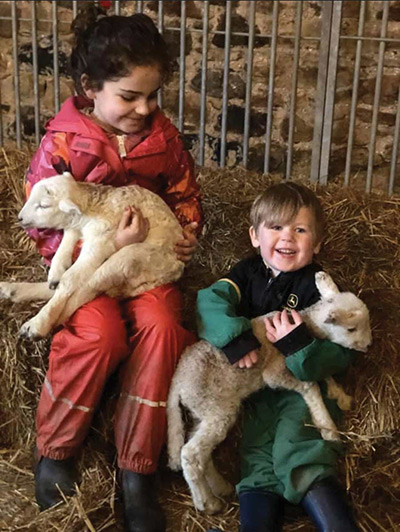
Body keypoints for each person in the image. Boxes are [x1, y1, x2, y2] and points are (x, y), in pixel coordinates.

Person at [25, 7, 203, 532]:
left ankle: (137, 470)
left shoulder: (164, 140)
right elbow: (43, 218)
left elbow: (184, 195)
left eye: (152, 96)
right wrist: (88, 250)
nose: (144, 108)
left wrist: (187, 231)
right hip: (88, 270)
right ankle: (57, 450)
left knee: (166, 329)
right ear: (90, 86)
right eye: (130, 96)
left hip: (148, 267)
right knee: (96, 335)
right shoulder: (61, 143)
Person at [199, 182, 359, 532]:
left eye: (300, 230)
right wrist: (235, 340)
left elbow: (341, 353)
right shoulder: (245, 275)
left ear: (315, 244)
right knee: (256, 462)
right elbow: (209, 302)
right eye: (276, 227)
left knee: (300, 447)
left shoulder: (319, 286)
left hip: (301, 389)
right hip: (257, 391)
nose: (287, 237)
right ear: (255, 236)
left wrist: (299, 346)